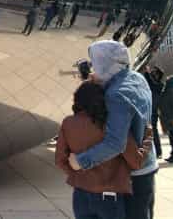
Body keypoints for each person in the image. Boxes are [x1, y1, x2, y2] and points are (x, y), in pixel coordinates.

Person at [68, 41, 158, 219]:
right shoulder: (137, 79)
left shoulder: (115, 95)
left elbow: (115, 143)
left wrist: (81, 161)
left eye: (96, 62)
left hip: (131, 177)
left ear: (106, 63)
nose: (94, 68)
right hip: (147, 166)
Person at [56, 82, 152, 219]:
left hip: (80, 195)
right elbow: (136, 161)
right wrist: (148, 136)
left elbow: (60, 160)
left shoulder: (68, 122)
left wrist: (78, 172)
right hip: (108, 198)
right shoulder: (112, 125)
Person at [142, 66, 164, 159]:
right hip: (150, 111)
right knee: (150, 132)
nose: (152, 73)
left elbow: (151, 83)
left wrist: (147, 73)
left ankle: (158, 152)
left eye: (154, 72)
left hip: (152, 112)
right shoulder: (157, 85)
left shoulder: (158, 85)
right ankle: (155, 151)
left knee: (153, 132)